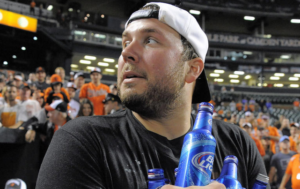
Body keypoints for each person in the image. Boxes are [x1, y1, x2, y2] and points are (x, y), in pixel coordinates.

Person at [36, 3, 267, 189]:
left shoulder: (238, 143)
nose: (126, 53)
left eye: (150, 40)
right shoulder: (82, 141)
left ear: (192, 69)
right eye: (125, 42)